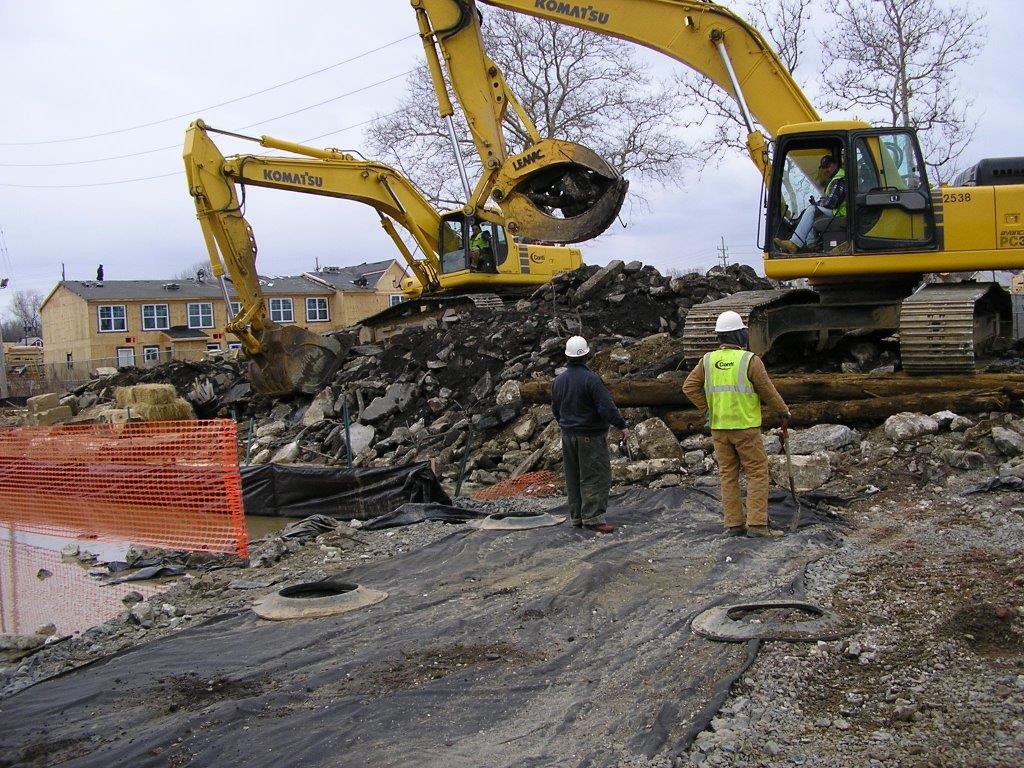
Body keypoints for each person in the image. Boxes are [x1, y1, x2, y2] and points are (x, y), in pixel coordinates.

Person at [682, 311, 791, 537]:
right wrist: (782, 411)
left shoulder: (707, 360)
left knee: (728, 475)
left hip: (719, 429)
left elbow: (689, 387)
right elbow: (768, 392)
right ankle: (758, 525)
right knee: (757, 472)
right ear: (740, 334)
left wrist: (708, 411)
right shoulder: (749, 360)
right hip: (745, 428)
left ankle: (734, 525)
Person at [552, 335, 631, 533]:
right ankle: (593, 518)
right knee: (595, 475)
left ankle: (577, 517)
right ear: (586, 355)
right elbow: (606, 407)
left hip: (568, 434)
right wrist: (622, 425)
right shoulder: (592, 380)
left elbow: (555, 408)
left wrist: (565, 425)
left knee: (573, 476)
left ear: (567, 356)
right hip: (589, 435)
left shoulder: (559, 381)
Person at [774, 154, 847, 253]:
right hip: (836, 212)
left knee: (812, 210)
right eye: (824, 168)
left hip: (841, 214)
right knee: (808, 211)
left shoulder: (840, 179)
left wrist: (817, 204)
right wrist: (818, 203)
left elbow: (831, 203)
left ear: (834, 165)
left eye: (828, 167)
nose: (826, 170)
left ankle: (794, 243)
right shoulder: (834, 179)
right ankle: (811, 245)